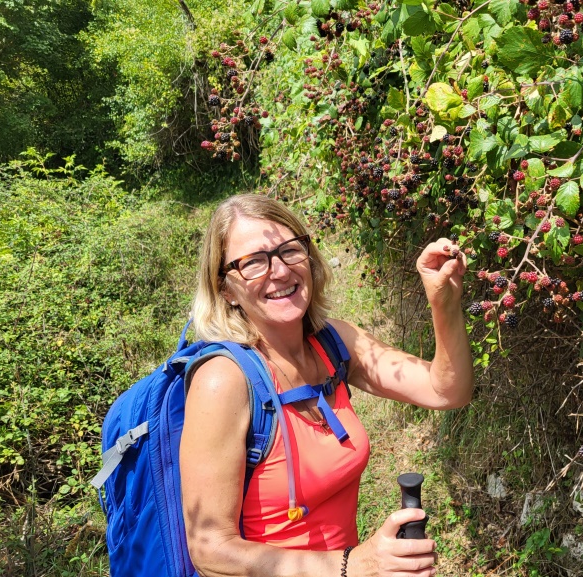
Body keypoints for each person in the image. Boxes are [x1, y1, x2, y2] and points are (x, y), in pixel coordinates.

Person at [179, 194, 473, 577]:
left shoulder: (333, 342)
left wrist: (444, 304)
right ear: (226, 289)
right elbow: (210, 550)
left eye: (289, 250)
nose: (279, 271)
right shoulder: (222, 381)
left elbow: (446, 390)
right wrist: (356, 564)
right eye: (253, 262)